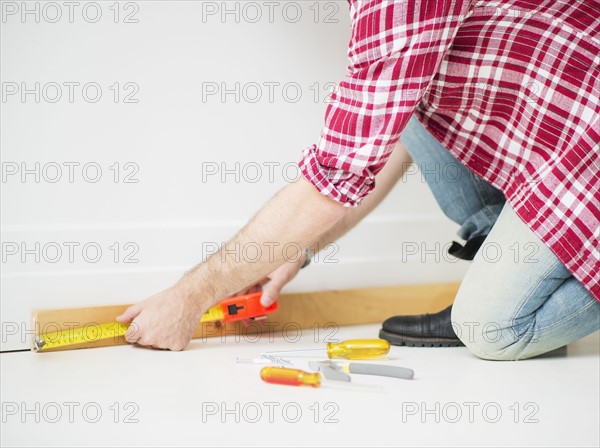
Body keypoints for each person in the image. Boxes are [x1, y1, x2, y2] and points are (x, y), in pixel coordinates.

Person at [116, 0, 599, 359]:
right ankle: (526, 274)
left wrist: (189, 298)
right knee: (410, 111)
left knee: (490, 329)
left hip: (586, 153)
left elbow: (333, 177)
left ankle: (522, 293)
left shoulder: (400, 7)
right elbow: (373, 154)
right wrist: (297, 250)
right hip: (559, 137)